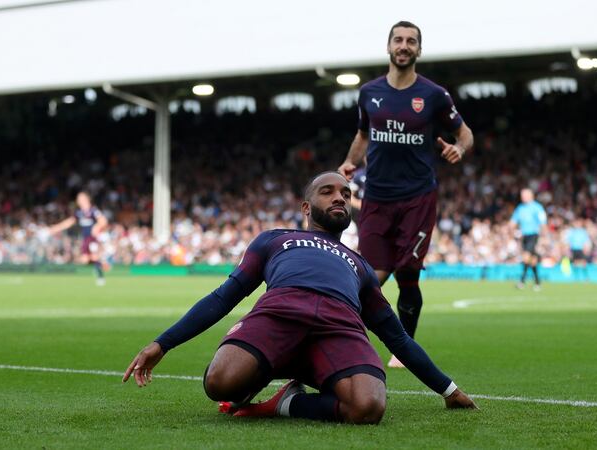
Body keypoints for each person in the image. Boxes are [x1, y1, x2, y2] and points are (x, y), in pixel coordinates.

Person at [122, 172, 476, 425]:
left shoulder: (361, 266)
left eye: (345, 194)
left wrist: (447, 389)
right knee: (220, 383)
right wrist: (163, 343)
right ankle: (259, 373)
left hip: (339, 328)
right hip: (279, 316)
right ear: (307, 207)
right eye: (328, 191)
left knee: (368, 408)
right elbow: (223, 297)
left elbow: (395, 336)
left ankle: (286, 403)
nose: (340, 197)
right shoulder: (273, 240)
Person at [337, 20, 474, 368]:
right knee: (368, 276)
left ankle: (403, 348)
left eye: (411, 41)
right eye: (398, 40)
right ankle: (346, 341)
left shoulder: (434, 95)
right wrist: (349, 163)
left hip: (417, 198)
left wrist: (459, 148)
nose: (404, 45)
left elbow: (466, 134)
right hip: (376, 199)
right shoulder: (369, 92)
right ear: (388, 47)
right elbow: (363, 135)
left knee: (407, 274)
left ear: (418, 50)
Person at [49, 191, 108, 286]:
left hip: (92, 238)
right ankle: (102, 265)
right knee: (85, 260)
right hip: (85, 239)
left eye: (81, 198)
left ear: (87, 199)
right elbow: (69, 222)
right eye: (78, 199)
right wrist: (56, 228)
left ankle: (101, 276)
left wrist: (97, 226)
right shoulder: (79, 213)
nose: (79, 200)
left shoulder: (93, 211)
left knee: (94, 256)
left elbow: (103, 221)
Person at [511, 188, 547, 291]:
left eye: (524, 195)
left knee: (526, 257)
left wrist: (544, 236)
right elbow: (513, 221)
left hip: (533, 235)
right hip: (524, 236)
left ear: (531, 196)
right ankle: (537, 282)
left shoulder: (537, 207)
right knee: (533, 261)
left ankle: (522, 281)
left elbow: (543, 222)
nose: (522, 197)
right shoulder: (520, 208)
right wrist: (510, 230)